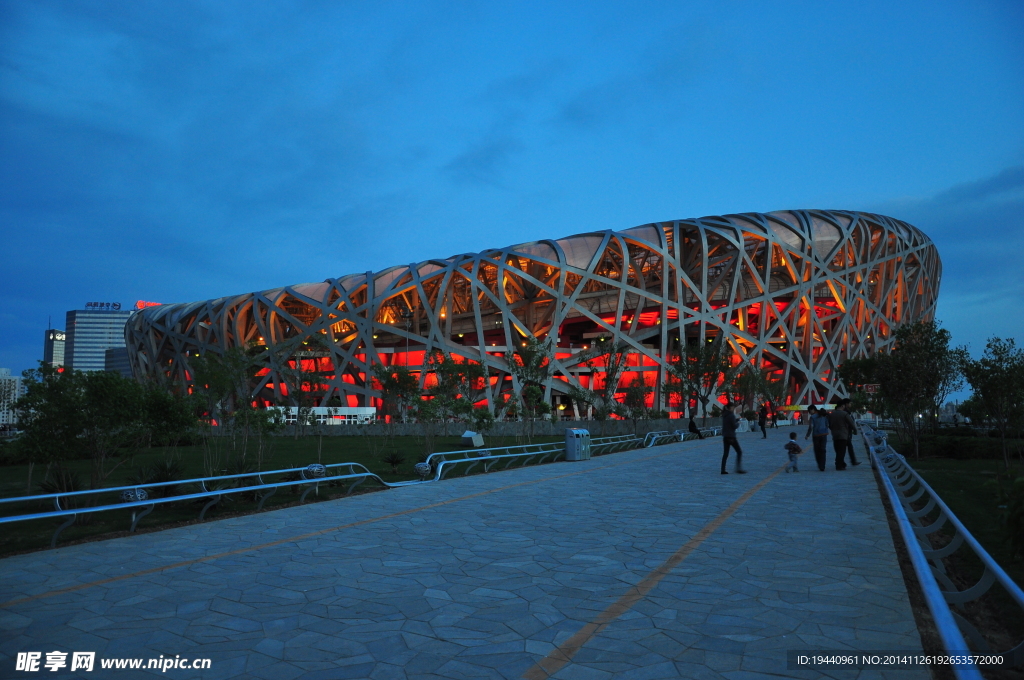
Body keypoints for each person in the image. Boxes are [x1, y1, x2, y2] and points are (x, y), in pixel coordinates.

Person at [828, 398, 860, 470]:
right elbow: (851, 423)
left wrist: (833, 429)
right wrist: (855, 430)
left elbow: (829, 424)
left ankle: (841, 464)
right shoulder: (845, 414)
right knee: (842, 451)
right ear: (842, 406)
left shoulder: (832, 414)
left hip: (835, 434)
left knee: (838, 450)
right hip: (843, 434)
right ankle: (839, 466)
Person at [721, 402, 746, 474]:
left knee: (725, 454)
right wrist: (738, 423)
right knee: (739, 451)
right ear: (730, 407)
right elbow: (734, 426)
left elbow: (728, 423)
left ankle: (723, 469)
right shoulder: (731, 415)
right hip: (731, 436)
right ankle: (738, 469)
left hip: (725, 436)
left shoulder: (725, 415)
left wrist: (736, 420)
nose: (733, 408)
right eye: (733, 407)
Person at [805, 405, 830, 471]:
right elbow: (827, 424)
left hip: (816, 435)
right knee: (823, 450)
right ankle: (823, 465)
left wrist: (807, 435)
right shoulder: (823, 415)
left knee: (817, 451)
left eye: (809, 411)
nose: (809, 413)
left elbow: (811, 427)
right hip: (824, 434)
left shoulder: (812, 417)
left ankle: (820, 464)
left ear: (812, 409)